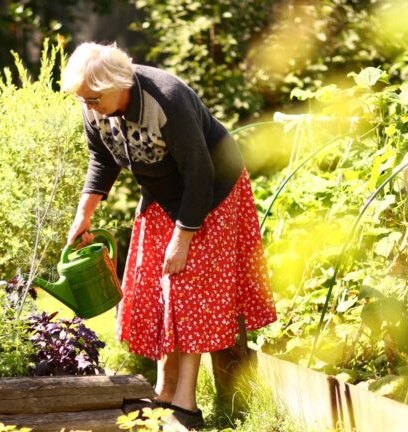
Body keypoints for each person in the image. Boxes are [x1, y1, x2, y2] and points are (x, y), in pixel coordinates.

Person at [60, 42, 277, 430]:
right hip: (162, 193)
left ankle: (187, 406)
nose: (89, 107)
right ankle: (164, 390)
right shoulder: (94, 104)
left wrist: (183, 238)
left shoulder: (167, 99)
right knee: (153, 283)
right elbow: (102, 158)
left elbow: (200, 174)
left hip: (211, 193)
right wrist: (84, 215)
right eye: (83, 100)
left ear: (117, 83)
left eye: (94, 98)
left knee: (186, 283)